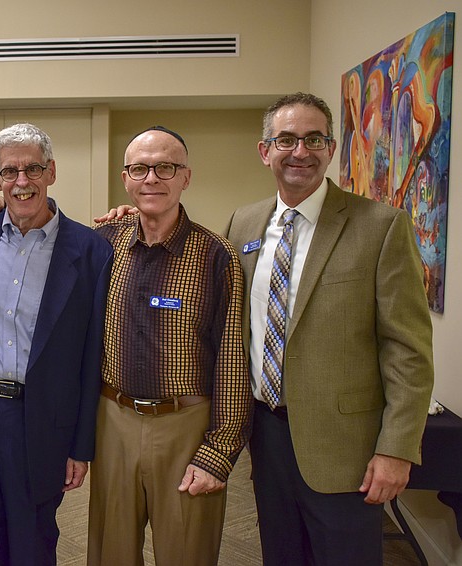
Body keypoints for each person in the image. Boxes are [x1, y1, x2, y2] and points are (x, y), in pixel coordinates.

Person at [225, 92, 434, 565]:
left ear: (331, 148)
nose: (300, 151)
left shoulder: (381, 226)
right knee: (282, 554)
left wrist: (397, 449)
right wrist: (135, 219)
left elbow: (409, 351)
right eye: (287, 139)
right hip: (267, 434)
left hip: (347, 449)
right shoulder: (244, 224)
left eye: (314, 139)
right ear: (265, 151)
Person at [87, 127, 252, 565]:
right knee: (111, 553)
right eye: (140, 168)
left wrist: (218, 452)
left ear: (186, 177)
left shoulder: (217, 255)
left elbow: (233, 361)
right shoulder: (103, 245)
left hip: (185, 424)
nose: (152, 178)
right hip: (113, 420)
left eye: (166, 167)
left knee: (186, 551)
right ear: (126, 178)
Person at [0, 123, 113, 565]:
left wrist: (80, 446)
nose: (22, 182)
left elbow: (90, 356)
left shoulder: (91, 251)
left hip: (40, 417)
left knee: (32, 542)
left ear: (52, 172)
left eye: (33, 169)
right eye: (10, 172)